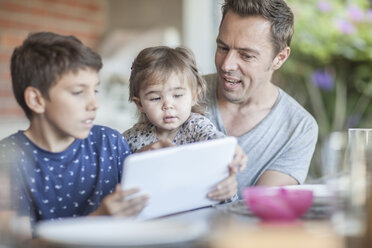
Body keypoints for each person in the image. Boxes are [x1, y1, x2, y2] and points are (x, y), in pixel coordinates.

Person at [0, 32, 149, 231]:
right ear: (36, 100)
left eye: (94, 91)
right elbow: (20, 244)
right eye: (78, 92)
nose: (94, 104)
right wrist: (98, 219)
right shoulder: (8, 160)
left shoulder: (110, 142)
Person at [204, 0, 318, 196]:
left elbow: (259, 211)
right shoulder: (180, 95)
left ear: (279, 58)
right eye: (223, 48)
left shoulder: (298, 127)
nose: (227, 65)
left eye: (246, 56)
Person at [123, 46, 247, 201]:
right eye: (155, 98)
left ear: (194, 96)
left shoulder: (196, 126)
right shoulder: (131, 139)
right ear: (140, 104)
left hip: (204, 204)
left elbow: (215, 139)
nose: (168, 105)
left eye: (177, 95)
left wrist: (231, 148)